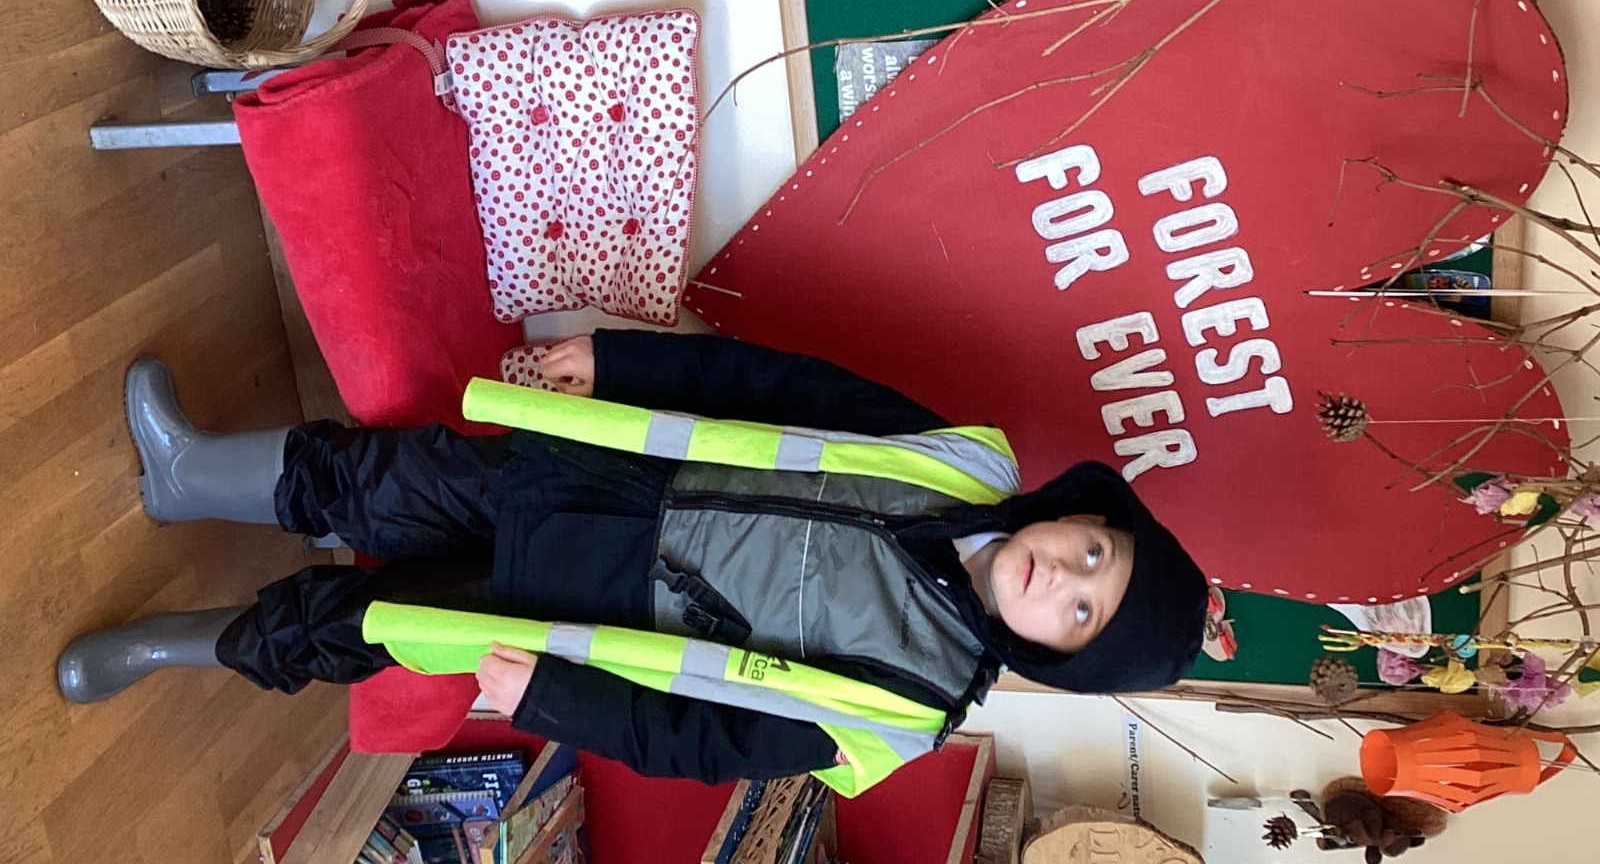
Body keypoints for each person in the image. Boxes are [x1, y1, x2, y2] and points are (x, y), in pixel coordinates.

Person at [58, 331, 1210, 787]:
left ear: (1062, 656)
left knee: (355, 622)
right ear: (1080, 514)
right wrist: (622, 364)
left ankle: (161, 646)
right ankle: (187, 473)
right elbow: (786, 384)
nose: (1062, 576)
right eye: (1092, 552)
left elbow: (705, 742)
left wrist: (552, 700)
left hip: (579, 610)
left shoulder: (903, 715)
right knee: (378, 477)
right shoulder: (961, 463)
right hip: (600, 480)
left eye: (1082, 612)